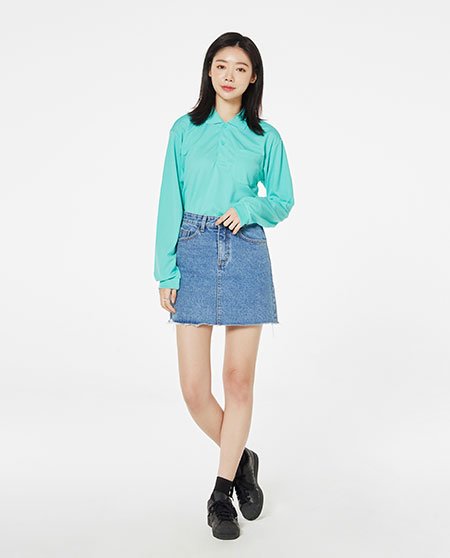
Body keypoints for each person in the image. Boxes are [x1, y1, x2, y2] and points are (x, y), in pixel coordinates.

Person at [154, 31, 295, 540]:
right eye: (221, 65)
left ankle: (219, 494)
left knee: (237, 382)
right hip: (191, 248)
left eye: (240, 67)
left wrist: (250, 207)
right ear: (209, 72)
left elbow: (282, 199)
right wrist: (166, 270)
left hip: (245, 250)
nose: (229, 75)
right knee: (195, 390)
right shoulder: (184, 129)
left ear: (253, 77)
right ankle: (242, 460)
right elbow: (169, 199)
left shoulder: (266, 137)